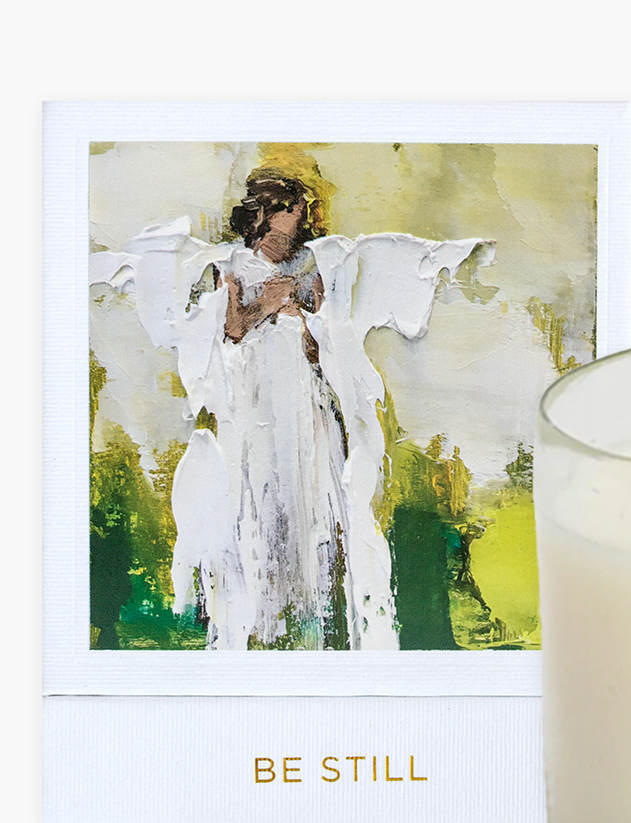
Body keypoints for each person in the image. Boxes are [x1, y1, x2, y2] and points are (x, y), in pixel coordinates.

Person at [90, 166, 494, 650]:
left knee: (312, 493)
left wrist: (302, 317)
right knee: (258, 493)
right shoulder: (231, 267)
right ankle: (256, 617)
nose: (297, 223)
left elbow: (321, 350)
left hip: (304, 397)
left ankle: (312, 612)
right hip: (255, 397)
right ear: (264, 216)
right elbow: (231, 331)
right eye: (289, 213)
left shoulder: (311, 270)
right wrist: (269, 303)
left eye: (300, 215)